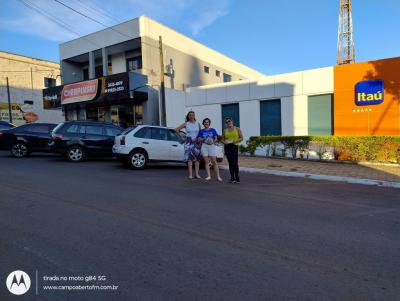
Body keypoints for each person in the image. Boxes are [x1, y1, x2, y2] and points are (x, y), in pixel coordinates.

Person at [175, 111, 202, 179]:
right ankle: (190, 175)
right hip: (188, 142)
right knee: (190, 159)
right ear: (188, 116)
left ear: (194, 116)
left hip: (196, 142)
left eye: (193, 115)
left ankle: (197, 174)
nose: (191, 116)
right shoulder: (186, 124)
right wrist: (183, 138)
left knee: (197, 159)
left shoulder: (198, 124)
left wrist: (199, 139)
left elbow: (200, 133)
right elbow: (176, 130)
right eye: (190, 115)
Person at [222, 117, 243, 183]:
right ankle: (232, 177)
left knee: (235, 163)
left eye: (229, 121)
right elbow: (222, 139)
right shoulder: (225, 130)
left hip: (234, 146)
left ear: (232, 121)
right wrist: (224, 142)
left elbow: (241, 138)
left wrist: (236, 141)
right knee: (230, 163)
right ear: (225, 123)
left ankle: (237, 177)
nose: (228, 123)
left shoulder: (237, 129)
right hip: (227, 147)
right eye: (227, 122)